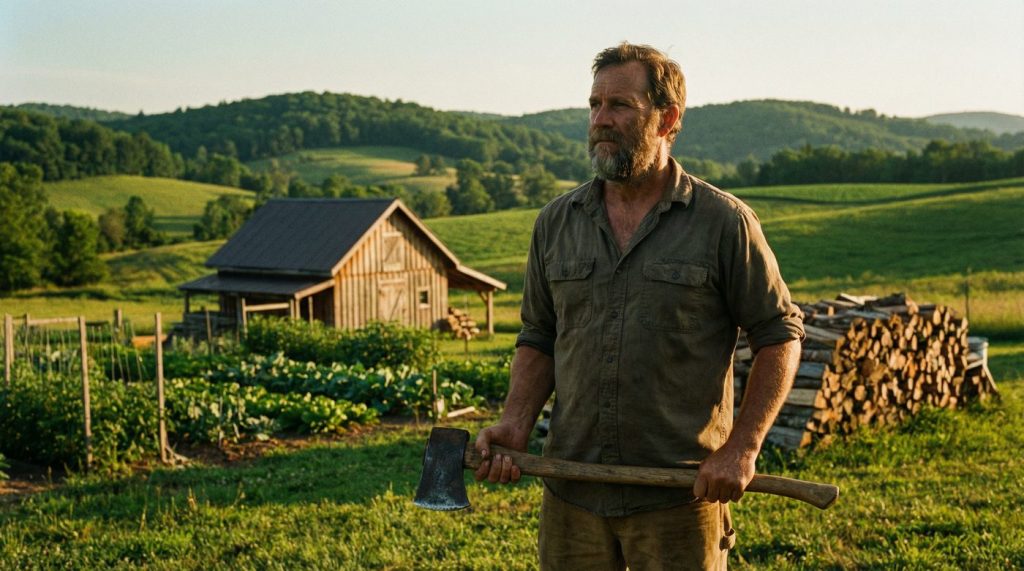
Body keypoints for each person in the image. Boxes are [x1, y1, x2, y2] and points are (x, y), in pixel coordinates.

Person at [473, 42, 804, 569]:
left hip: (680, 494)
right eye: (595, 105)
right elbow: (539, 336)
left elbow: (779, 334)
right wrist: (515, 422)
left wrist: (743, 446)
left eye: (620, 106)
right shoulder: (556, 223)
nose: (601, 120)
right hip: (572, 490)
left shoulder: (722, 223)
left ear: (667, 118)